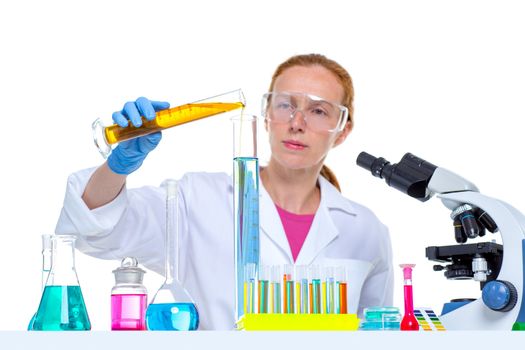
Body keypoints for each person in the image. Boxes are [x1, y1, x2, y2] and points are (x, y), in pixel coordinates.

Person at [55, 53, 394, 330]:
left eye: (318, 110)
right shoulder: (197, 199)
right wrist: (118, 167)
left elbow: (379, 336)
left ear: (343, 130)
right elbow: (98, 231)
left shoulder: (366, 229)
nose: (297, 122)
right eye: (285, 104)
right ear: (265, 114)